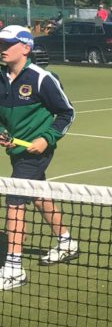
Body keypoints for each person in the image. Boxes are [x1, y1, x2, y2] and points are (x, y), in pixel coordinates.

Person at [0, 25, 77, 291]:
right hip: (16, 151)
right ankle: (66, 241)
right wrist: (3, 133)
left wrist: (47, 138)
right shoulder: (0, 77)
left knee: (14, 199)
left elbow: (67, 113)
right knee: (38, 195)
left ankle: (13, 268)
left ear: (25, 48)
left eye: (7, 44)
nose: (2, 49)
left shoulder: (42, 79)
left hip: (38, 151)